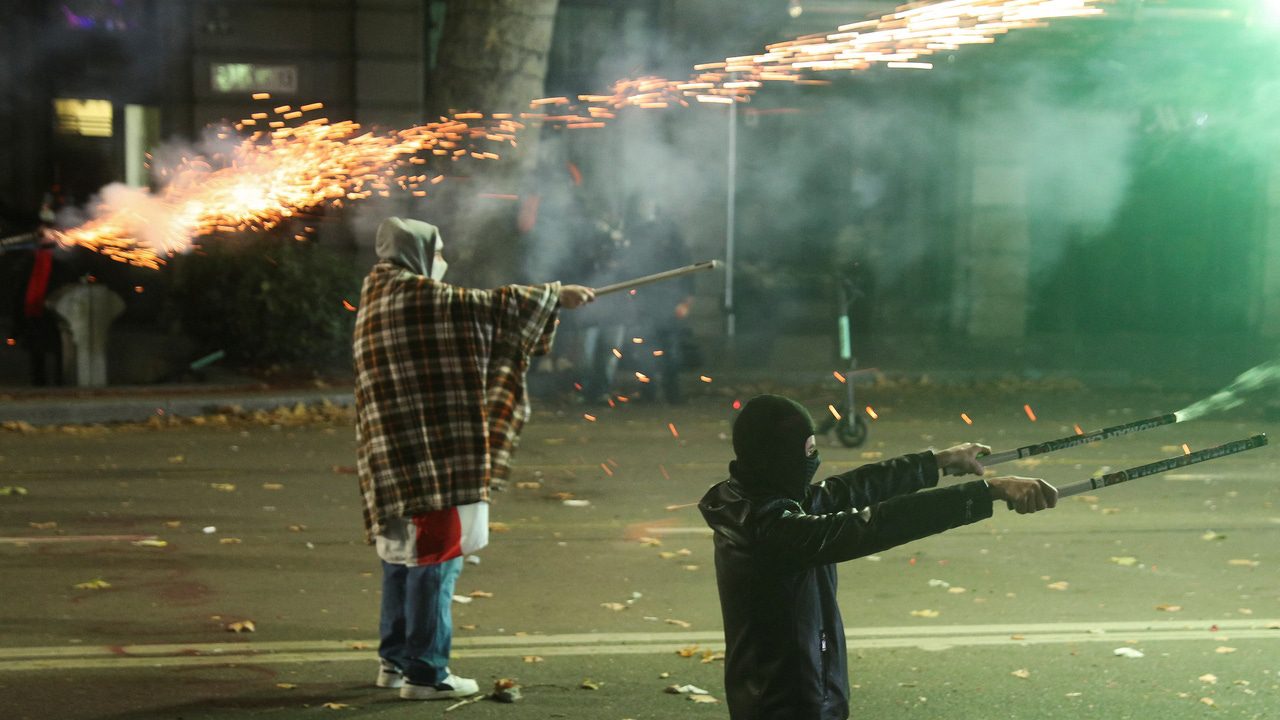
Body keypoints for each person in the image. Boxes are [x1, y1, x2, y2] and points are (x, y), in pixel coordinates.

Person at [353, 217, 595, 701]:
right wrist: (553, 296)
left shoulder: (379, 297)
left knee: (401, 558)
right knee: (435, 561)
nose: (443, 260)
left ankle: (395, 662)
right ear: (416, 254)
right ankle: (427, 673)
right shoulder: (414, 295)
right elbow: (486, 307)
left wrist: (548, 298)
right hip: (433, 459)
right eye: (437, 250)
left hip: (393, 458)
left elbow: (469, 311)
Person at [699, 395, 1057, 719]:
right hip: (787, 704)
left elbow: (849, 490)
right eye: (807, 452)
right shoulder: (771, 529)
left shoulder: (759, 498)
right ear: (777, 457)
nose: (814, 461)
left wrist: (938, 462)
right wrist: (986, 492)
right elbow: (874, 525)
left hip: (798, 692)